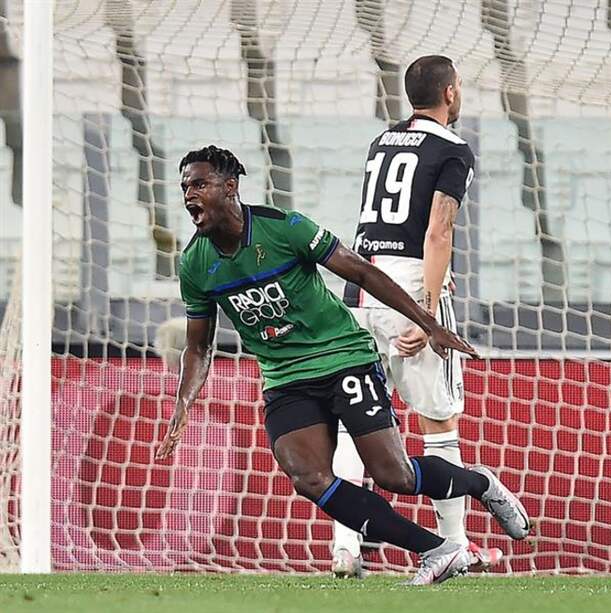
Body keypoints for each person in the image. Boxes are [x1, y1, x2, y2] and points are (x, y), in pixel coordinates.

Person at [156, 145, 531, 585]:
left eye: (200, 184)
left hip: (344, 358)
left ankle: (479, 484)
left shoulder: (284, 228)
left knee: (395, 475)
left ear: (231, 186)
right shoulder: (195, 264)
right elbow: (198, 348)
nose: (189, 195)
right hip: (286, 378)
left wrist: (429, 323)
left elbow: (363, 273)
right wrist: (183, 405)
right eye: (184, 187)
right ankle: (438, 550)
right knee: (308, 477)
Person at [330, 54, 497, 578]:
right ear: (450, 93)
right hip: (407, 285)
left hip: (358, 288)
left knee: (354, 422)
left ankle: (345, 548)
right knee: (438, 419)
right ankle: (456, 545)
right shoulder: (453, 150)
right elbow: (437, 231)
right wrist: (426, 315)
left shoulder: (381, 142)